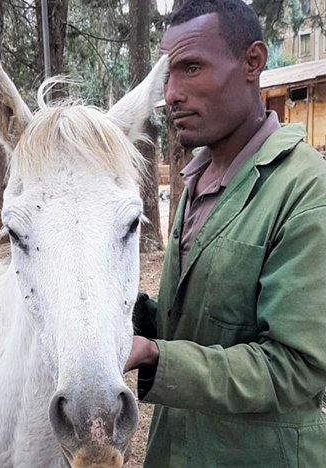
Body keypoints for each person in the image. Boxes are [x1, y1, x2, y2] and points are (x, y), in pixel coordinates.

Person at [125, 0, 326, 466]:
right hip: (176, 450)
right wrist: (121, 312)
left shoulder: (306, 189)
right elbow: (200, 322)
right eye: (167, 76)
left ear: (253, 63)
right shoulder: (200, 178)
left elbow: (297, 368)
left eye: (191, 69)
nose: (170, 94)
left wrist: (158, 357)